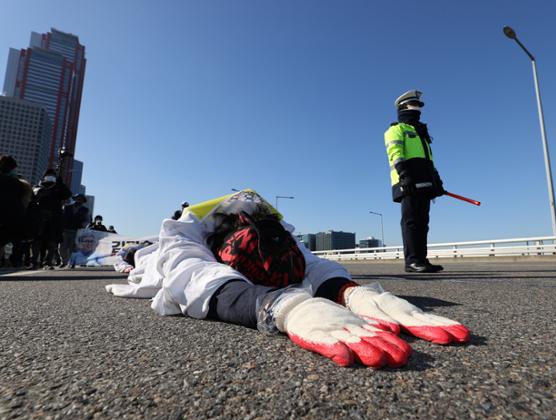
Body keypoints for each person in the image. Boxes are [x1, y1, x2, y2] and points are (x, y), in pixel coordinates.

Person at [106, 190, 470, 369]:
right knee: (141, 256)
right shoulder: (187, 238)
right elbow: (192, 277)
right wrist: (281, 305)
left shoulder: (276, 230)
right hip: (154, 255)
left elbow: (310, 265)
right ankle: (129, 250)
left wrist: (352, 294)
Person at [384, 90, 446, 273]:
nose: (418, 109)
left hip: (425, 182)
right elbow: (395, 154)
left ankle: (421, 260)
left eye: (419, 106)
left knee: (423, 222)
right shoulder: (396, 130)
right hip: (407, 182)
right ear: (403, 107)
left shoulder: (421, 133)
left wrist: (437, 181)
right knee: (411, 221)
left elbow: (429, 161)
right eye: (415, 105)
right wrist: (404, 175)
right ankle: (412, 261)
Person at [29, 169, 72, 269]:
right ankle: (34, 261)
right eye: (48, 175)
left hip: (54, 217)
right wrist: (40, 192)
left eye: (52, 175)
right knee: (36, 241)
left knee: (52, 241)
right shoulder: (38, 186)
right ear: (43, 177)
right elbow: (33, 198)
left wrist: (60, 183)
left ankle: (48, 262)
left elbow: (68, 194)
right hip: (40, 217)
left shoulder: (59, 187)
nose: (50, 177)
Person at [60, 194, 91, 267]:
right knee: (62, 247)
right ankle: (64, 261)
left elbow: (87, 220)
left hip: (76, 231)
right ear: (75, 199)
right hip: (65, 230)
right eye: (78, 198)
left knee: (73, 248)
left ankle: (72, 262)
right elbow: (61, 217)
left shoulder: (85, 210)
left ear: (83, 201)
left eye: (81, 199)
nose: (79, 200)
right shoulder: (66, 207)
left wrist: (82, 227)